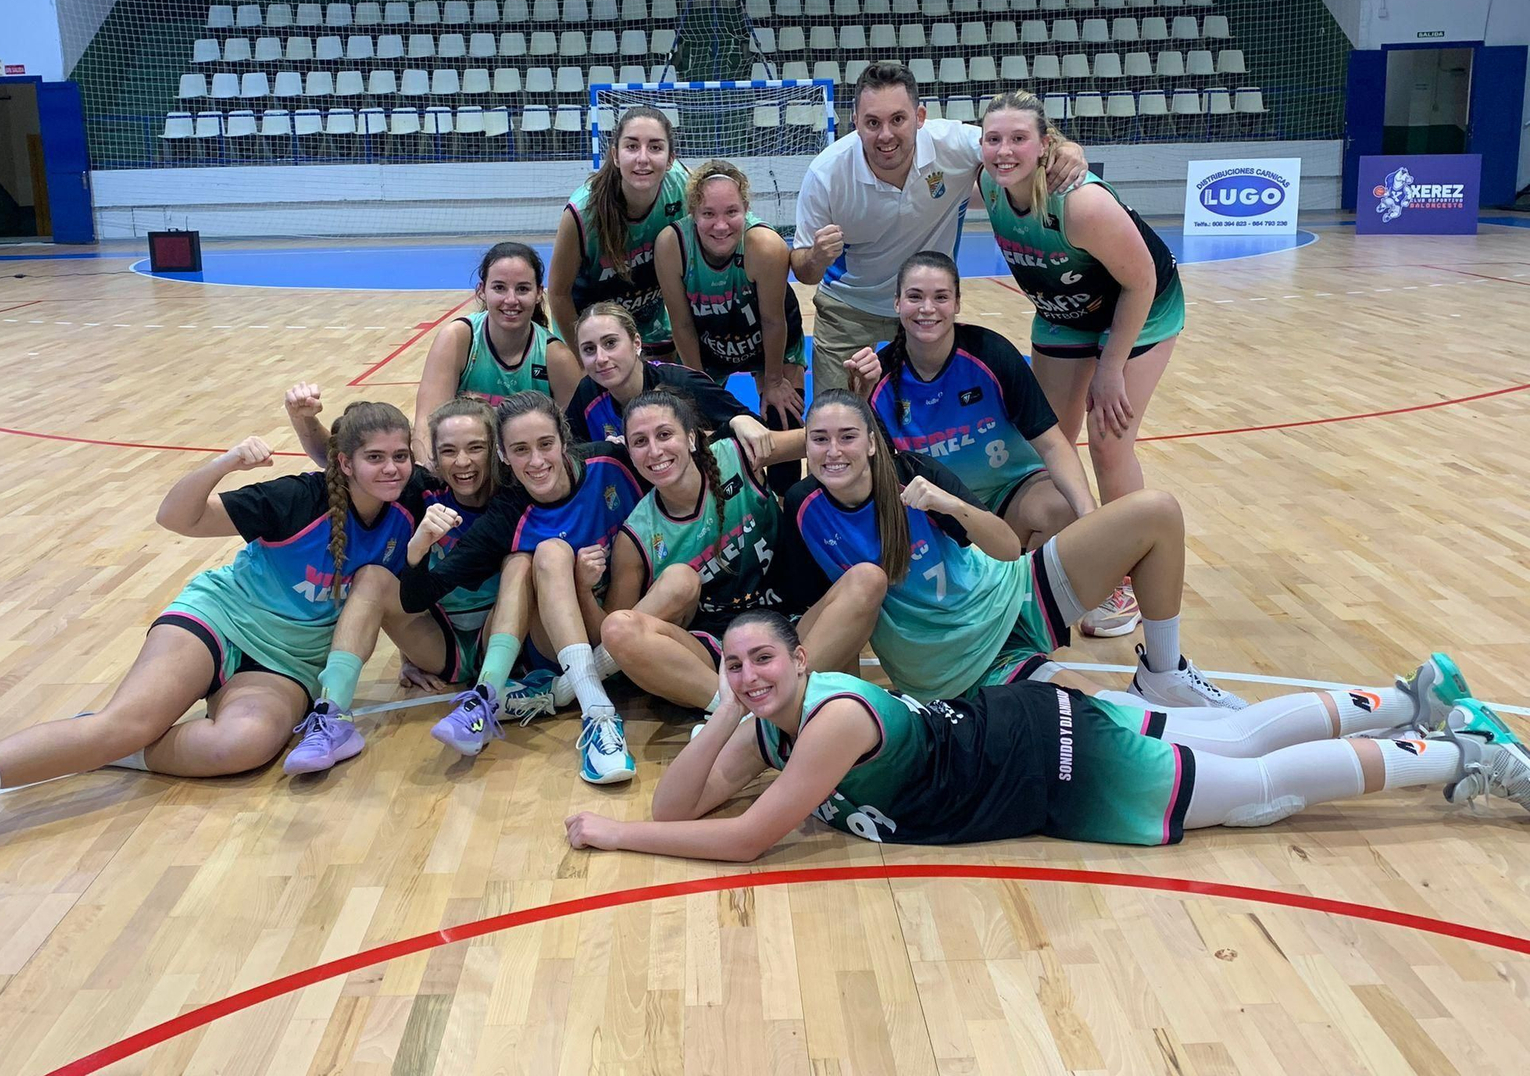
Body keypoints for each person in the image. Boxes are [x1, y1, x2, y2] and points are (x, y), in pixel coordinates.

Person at [0, 402, 453, 871]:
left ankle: (120, 744)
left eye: (400, 456)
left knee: (240, 747)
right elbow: (176, 517)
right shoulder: (296, 498)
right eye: (376, 458)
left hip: (288, 663)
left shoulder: (413, 499)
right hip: (219, 619)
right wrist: (225, 463)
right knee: (123, 723)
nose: (391, 468)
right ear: (344, 463)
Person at [564, 609, 1530, 861]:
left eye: (761, 663)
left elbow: (739, 838)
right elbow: (678, 799)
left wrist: (614, 837)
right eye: (734, 667)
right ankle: (1412, 696)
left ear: (800, 660)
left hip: (1046, 759)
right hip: (1026, 720)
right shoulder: (766, 717)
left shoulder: (828, 718)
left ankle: (1460, 754)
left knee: (1254, 791)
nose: (748, 678)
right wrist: (725, 711)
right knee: (1229, 741)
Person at [779, 389, 1242, 709]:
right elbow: (826, 617)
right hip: (955, 664)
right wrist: (841, 706)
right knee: (1117, 716)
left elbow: (1004, 549)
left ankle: (1163, 673)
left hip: (1012, 594)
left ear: (872, 445)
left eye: (847, 437)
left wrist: (950, 504)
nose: (833, 451)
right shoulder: (803, 509)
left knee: (1156, 511)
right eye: (819, 439)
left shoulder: (913, 473)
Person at [977, 89, 1187, 637]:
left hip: (1139, 311)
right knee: (1045, 440)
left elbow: (1140, 281)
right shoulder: (987, 184)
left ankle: (1123, 574)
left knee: (1109, 439)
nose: (1004, 150)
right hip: (1065, 312)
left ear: (1044, 144)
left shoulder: (1081, 203)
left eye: (1019, 139)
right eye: (993, 139)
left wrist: (1111, 367)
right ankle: (1058, 548)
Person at [791, 62, 1088, 396]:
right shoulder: (826, 174)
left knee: (926, 419)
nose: (885, 134)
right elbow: (804, 270)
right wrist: (816, 256)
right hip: (848, 308)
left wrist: (1065, 147)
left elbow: (1012, 144)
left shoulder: (953, 143)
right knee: (835, 418)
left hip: (925, 307)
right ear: (856, 122)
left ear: (920, 118)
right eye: (873, 122)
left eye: (898, 119)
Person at [396, 391, 645, 784]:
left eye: (545, 444)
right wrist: (417, 548)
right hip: (557, 644)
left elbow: (684, 452)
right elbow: (416, 596)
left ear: (565, 439)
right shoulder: (507, 515)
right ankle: (597, 714)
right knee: (547, 552)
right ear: (503, 455)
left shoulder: (612, 462)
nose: (537, 461)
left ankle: (559, 694)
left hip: (626, 623)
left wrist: (738, 422)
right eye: (520, 449)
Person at [596, 389, 884, 709]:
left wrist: (740, 420)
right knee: (623, 626)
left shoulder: (737, 454)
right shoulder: (636, 537)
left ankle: (774, 706)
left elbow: (822, 438)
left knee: (868, 579)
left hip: (791, 624)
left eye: (664, 435)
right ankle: (741, 714)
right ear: (630, 453)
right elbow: (609, 643)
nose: (655, 450)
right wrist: (583, 587)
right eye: (639, 442)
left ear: (692, 438)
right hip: (715, 653)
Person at [286, 384, 532, 756]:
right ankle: (331, 716)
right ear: (431, 455)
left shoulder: (516, 492)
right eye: (448, 451)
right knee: (371, 576)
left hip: (503, 639)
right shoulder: (419, 489)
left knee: (519, 563)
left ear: (496, 449)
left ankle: (485, 700)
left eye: (475, 448)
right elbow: (342, 460)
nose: (462, 462)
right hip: (441, 644)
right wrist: (305, 420)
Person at [861, 251, 1096, 550]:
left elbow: (1052, 444)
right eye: (915, 297)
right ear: (897, 303)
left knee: (1062, 507)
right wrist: (858, 398)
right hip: (939, 512)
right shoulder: (878, 379)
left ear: (957, 303)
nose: (927, 308)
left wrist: (1089, 518)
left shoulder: (991, 355)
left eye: (941, 297)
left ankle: (1033, 583)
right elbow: (874, 473)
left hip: (1011, 495)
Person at [654, 159, 806, 490]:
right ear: (693, 212)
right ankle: (721, 496)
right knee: (694, 422)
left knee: (783, 414)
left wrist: (775, 380)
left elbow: (773, 319)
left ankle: (784, 500)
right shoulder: (671, 245)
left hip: (766, 334)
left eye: (731, 212)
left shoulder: (765, 246)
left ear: (746, 209)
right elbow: (680, 324)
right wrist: (698, 387)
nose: (720, 225)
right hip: (707, 337)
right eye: (708, 213)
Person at [412, 242, 582, 468]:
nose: (511, 300)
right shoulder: (457, 339)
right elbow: (426, 425)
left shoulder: (556, 358)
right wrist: (433, 478)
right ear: (481, 290)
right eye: (499, 288)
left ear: (539, 293)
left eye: (522, 289)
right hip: (464, 469)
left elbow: (574, 438)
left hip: (529, 471)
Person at [549, 105, 689, 358]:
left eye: (655, 147)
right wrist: (583, 359)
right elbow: (558, 294)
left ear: (671, 159)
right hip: (589, 328)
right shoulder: (582, 212)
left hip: (651, 323)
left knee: (668, 393)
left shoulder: (682, 187)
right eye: (632, 146)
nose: (643, 158)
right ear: (615, 155)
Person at [565, 302, 781, 465]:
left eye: (610, 343)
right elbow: (569, 453)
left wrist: (736, 422)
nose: (600, 358)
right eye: (589, 349)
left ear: (636, 343)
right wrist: (609, 451)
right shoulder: (587, 393)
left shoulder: (681, 383)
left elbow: (752, 428)